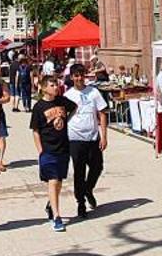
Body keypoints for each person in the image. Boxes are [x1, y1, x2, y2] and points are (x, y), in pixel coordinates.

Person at [30, 75, 78, 232]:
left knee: (59, 181)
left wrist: (67, 120)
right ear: (44, 88)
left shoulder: (62, 101)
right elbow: (35, 131)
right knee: (53, 179)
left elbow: (75, 107)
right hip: (48, 149)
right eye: (52, 85)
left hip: (63, 147)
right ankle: (57, 217)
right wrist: (40, 151)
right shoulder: (39, 107)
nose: (55, 87)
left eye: (56, 85)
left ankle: (51, 204)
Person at [65, 62, 110, 217]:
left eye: (81, 75)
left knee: (97, 167)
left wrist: (104, 136)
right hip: (75, 138)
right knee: (79, 170)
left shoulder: (93, 92)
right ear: (71, 77)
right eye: (76, 76)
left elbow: (103, 113)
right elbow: (62, 117)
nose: (79, 78)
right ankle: (81, 203)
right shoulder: (68, 95)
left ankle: (88, 189)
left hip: (92, 136)